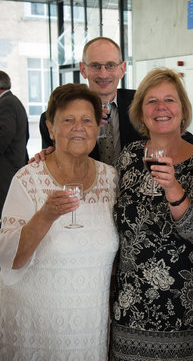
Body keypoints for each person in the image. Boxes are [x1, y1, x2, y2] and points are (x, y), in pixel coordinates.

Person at [0, 83, 118, 359]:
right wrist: (46, 216)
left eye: (87, 120)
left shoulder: (112, 179)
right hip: (35, 328)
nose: (79, 127)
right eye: (68, 120)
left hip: (91, 327)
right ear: (51, 128)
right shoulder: (28, 179)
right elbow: (9, 259)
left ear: (98, 129)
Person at [109, 67, 193, 360]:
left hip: (185, 308)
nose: (161, 107)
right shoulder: (129, 155)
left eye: (170, 100)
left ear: (183, 110)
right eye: (151, 101)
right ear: (141, 113)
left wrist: (173, 188)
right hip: (131, 307)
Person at [37, 37, 193, 166]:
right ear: (83, 69)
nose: (103, 74)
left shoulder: (143, 105)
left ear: (122, 69)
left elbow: (179, 136)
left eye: (110, 65)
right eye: (95, 66)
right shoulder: (55, 118)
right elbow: (54, 158)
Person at [0, 70, 29, 216]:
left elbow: (5, 134)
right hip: (14, 165)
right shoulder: (12, 101)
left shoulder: (6, 103)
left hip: (7, 169)